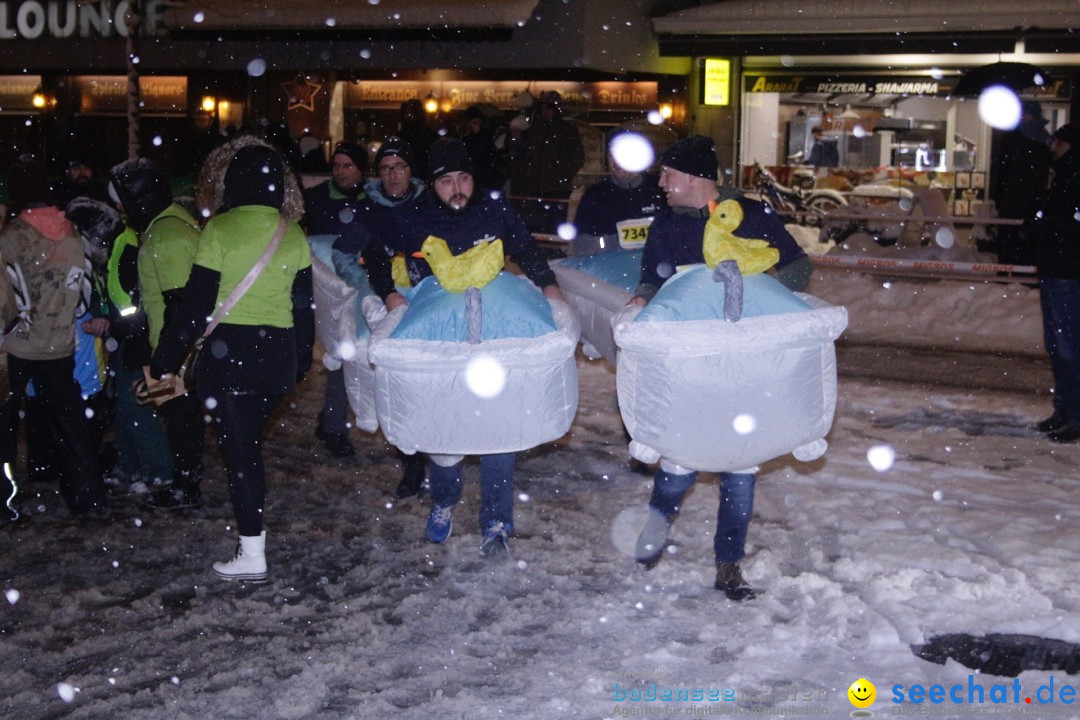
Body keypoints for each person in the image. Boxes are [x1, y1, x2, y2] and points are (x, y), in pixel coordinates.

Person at [627, 135, 810, 600]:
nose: (662, 182)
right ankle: (655, 527)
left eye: (669, 174)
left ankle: (729, 564)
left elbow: (796, 267)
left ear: (694, 178)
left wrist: (760, 295)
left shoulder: (752, 215)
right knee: (679, 462)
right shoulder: (666, 224)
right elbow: (652, 277)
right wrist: (641, 300)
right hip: (690, 367)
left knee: (740, 465)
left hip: (746, 361)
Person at [364, 138, 565, 557]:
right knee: (443, 430)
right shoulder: (411, 216)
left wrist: (550, 288)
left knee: (498, 429)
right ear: (432, 184)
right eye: (446, 181)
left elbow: (526, 250)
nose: (457, 189)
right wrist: (390, 295)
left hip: (493, 331)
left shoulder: (495, 210)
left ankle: (496, 522)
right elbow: (375, 254)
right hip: (438, 336)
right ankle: (443, 500)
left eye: (464, 179)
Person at [151, 140, 314, 581]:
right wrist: (300, 362)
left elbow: (195, 306)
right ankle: (251, 543)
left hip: (231, 358)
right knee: (247, 450)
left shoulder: (220, 230)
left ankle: (252, 552)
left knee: (242, 456)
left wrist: (164, 359)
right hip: (276, 359)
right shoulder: (292, 232)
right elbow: (303, 308)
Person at [0, 154, 108, 521]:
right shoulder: (71, 232)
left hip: (16, 346)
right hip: (60, 344)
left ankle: (4, 501)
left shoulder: (14, 236)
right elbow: (83, 290)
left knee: (5, 422)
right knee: (70, 421)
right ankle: (88, 493)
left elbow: (6, 300)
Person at [331, 136, 429, 498]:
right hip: (389, 307)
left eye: (399, 167)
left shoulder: (429, 205)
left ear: (410, 171)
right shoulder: (369, 210)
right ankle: (413, 460)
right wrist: (372, 284)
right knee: (398, 384)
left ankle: (440, 448)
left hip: (430, 302)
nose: (393, 176)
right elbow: (343, 255)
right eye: (386, 168)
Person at [121, 160, 206, 509]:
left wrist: (166, 358)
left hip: (173, 347)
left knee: (180, 417)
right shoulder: (168, 226)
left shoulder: (167, 234)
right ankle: (185, 482)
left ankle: (185, 486)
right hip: (173, 344)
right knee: (179, 416)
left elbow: (177, 301)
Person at [302, 141, 369, 458]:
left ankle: (332, 421)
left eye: (348, 165)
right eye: (337, 165)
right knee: (340, 352)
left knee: (349, 353)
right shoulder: (315, 199)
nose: (341, 171)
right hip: (326, 290)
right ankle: (332, 424)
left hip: (361, 288)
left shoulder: (372, 200)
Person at [1027, 123, 1080, 443]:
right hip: (1058, 269)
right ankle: (1065, 409)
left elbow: (1068, 223)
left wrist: (1046, 222)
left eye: (1058, 141)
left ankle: (1073, 414)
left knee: (1067, 346)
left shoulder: (1072, 179)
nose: (1052, 146)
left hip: (1068, 271)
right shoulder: (1063, 177)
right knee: (1060, 345)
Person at [571, 131, 667, 255]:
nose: (615, 162)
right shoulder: (596, 195)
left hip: (655, 266)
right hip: (610, 267)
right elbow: (581, 245)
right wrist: (618, 242)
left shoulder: (660, 189)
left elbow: (676, 234)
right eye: (611, 155)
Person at [993, 102, 1051, 266]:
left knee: (1011, 241)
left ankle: (1010, 272)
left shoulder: (1015, 138)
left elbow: (1003, 171)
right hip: (1028, 201)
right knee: (1021, 241)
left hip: (1016, 200)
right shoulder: (1042, 139)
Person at [527, 91, 585, 211]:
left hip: (558, 187)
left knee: (556, 220)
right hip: (538, 186)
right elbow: (529, 154)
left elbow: (577, 157)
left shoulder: (566, 130)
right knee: (539, 221)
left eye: (549, 108)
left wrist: (563, 174)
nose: (545, 111)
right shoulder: (536, 129)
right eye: (543, 108)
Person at [462, 105, 499, 191]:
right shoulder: (464, 138)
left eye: (479, 122)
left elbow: (487, 155)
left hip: (483, 177)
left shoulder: (485, 137)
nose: (477, 125)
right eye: (475, 123)